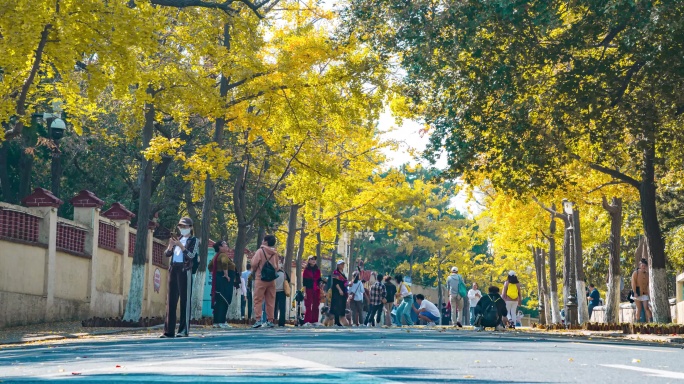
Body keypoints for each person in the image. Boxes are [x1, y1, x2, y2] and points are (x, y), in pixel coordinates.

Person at [161, 217, 199, 338]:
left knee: (185, 300)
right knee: (171, 301)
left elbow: (191, 256)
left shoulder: (193, 240)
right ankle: (168, 331)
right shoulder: (178, 239)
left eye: (185, 227)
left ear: (191, 228)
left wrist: (181, 246)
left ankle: (183, 330)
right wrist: (171, 246)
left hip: (185, 270)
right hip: (173, 269)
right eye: (181, 227)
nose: (182, 229)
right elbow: (167, 254)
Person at [251, 234, 280, 328]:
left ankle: (258, 320)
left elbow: (254, 264)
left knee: (258, 300)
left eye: (263, 240)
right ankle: (270, 320)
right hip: (272, 280)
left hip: (261, 278)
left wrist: (254, 270)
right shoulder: (275, 253)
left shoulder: (260, 251)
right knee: (270, 300)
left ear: (266, 242)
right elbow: (277, 266)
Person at [210, 240, 236, 329]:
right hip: (224, 281)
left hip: (218, 280)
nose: (227, 246)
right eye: (225, 245)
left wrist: (215, 274)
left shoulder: (215, 256)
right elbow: (224, 263)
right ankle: (222, 321)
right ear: (220, 247)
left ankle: (216, 322)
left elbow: (210, 266)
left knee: (218, 301)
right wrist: (226, 274)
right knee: (224, 301)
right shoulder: (223, 255)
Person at [631, 258, 653, 323]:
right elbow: (633, 283)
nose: (643, 267)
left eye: (645, 266)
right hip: (637, 293)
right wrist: (634, 292)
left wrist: (649, 295)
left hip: (645, 294)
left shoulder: (647, 274)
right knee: (639, 309)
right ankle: (637, 322)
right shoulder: (636, 273)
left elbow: (648, 285)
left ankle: (652, 321)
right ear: (640, 265)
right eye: (642, 265)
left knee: (646, 308)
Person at [302, 256, 322, 325]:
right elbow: (304, 283)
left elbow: (319, 280)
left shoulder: (317, 270)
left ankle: (315, 320)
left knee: (316, 305)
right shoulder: (306, 270)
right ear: (309, 261)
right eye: (312, 259)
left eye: (315, 259)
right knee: (308, 305)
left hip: (316, 289)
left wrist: (321, 284)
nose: (314, 261)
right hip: (308, 289)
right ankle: (307, 321)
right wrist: (304, 292)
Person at [330, 260, 348, 327]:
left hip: (343, 291)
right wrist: (340, 290)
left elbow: (344, 282)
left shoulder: (343, 273)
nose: (342, 265)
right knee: (336, 306)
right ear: (338, 265)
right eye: (341, 264)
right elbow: (336, 282)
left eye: (343, 264)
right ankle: (336, 321)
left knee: (341, 306)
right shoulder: (336, 272)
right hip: (337, 292)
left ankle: (340, 321)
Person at [274, 258, 290, 327]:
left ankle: (273, 320)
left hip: (274, 292)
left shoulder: (273, 273)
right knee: (282, 308)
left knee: (274, 307)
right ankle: (281, 322)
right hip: (282, 292)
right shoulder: (284, 273)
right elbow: (288, 280)